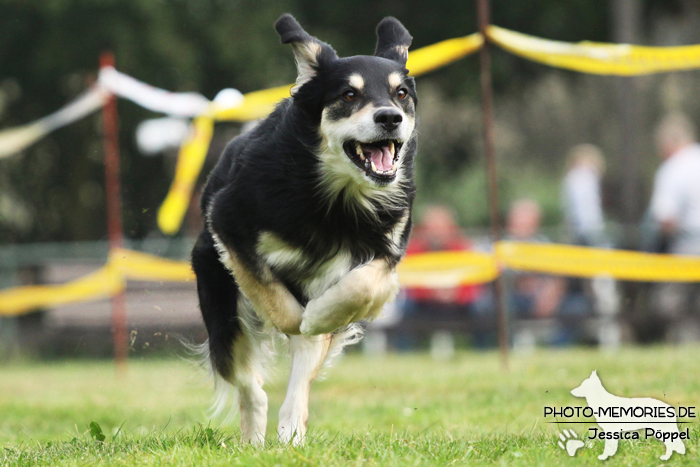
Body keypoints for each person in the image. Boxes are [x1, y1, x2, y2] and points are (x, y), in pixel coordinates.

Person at [648, 113, 700, 341]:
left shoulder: (672, 169)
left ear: (668, 143)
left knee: (669, 305)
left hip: (687, 248)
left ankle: (687, 345)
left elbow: (664, 218)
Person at [561, 144, 606, 246]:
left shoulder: (572, 177)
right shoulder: (583, 177)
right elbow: (586, 206)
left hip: (577, 227)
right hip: (586, 228)